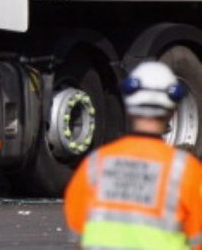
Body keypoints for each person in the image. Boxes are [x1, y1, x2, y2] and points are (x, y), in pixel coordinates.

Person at [64, 60, 202, 249]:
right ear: (171, 111)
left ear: (128, 106)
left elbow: (78, 238)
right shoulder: (187, 172)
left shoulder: (95, 166)